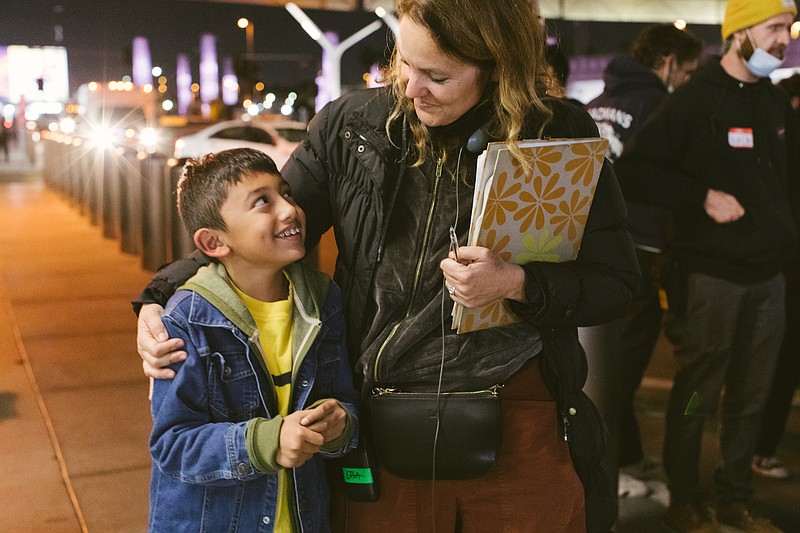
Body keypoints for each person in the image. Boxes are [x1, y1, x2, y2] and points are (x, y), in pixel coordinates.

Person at [136, 0, 639, 531]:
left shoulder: (556, 134)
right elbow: (263, 235)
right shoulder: (352, 126)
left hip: (516, 411)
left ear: (498, 67)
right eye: (405, 63)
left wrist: (517, 282)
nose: (412, 88)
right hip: (378, 415)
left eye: (437, 76)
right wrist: (160, 295)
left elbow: (617, 284)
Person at [615, 0, 800, 531]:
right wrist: (701, 196)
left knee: (752, 397)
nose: (784, 38)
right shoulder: (694, 101)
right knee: (697, 394)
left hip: (768, 282)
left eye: (786, 28)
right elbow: (635, 173)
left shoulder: (772, 102)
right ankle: (685, 499)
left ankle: (735, 498)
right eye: (773, 28)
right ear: (738, 33)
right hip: (710, 279)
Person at [147, 148, 359, 532]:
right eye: (263, 201)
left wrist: (339, 425)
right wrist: (267, 442)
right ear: (213, 243)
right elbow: (173, 445)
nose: (288, 209)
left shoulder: (323, 300)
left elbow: (343, 402)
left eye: (287, 193)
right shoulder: (189, 320)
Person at [584, 23, 703, 499]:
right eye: (689, 70)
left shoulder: (594, 107)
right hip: (642, 252)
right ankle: (608, 472)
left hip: (592, 250)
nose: (689, 80)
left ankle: (623, 459)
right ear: (669, 62)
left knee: (599, 364)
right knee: (623, 370)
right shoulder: (662, 107)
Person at [751, 73, 800, 481]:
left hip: (782, 262)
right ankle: (761, 448)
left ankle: (761, 448)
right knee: (781, 360)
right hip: (782, 265)